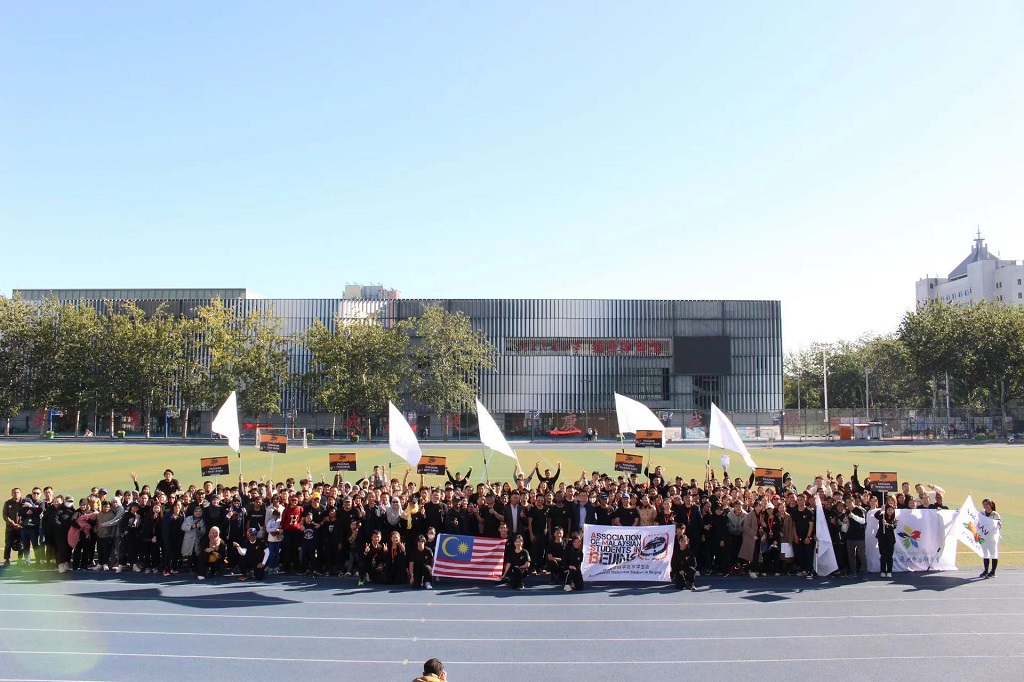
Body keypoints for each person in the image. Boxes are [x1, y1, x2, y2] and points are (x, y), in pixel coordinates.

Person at [980, 498, 1001, 578]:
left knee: (993, 554)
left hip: (992, 538)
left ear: (991, 505)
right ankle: (986, 570)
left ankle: (993, 571)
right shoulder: (982, 514)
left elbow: (998, 526)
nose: (985, 506)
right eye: (984, 504)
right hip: (984, 537)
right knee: (985, 554)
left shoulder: (995, 515)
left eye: (987, 504)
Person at [875, 505, 897, 578]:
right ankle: (883, 571)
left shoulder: (894, 519)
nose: (890, 511)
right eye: (888, 510)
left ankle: (889, 571)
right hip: (882, 538)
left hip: (890, 540)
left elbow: (893, 526)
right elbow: (876, 515)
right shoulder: (882, 516)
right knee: (883, 555)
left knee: (890, 556)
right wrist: (881, 510)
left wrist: (886, 524)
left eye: (891, 510)